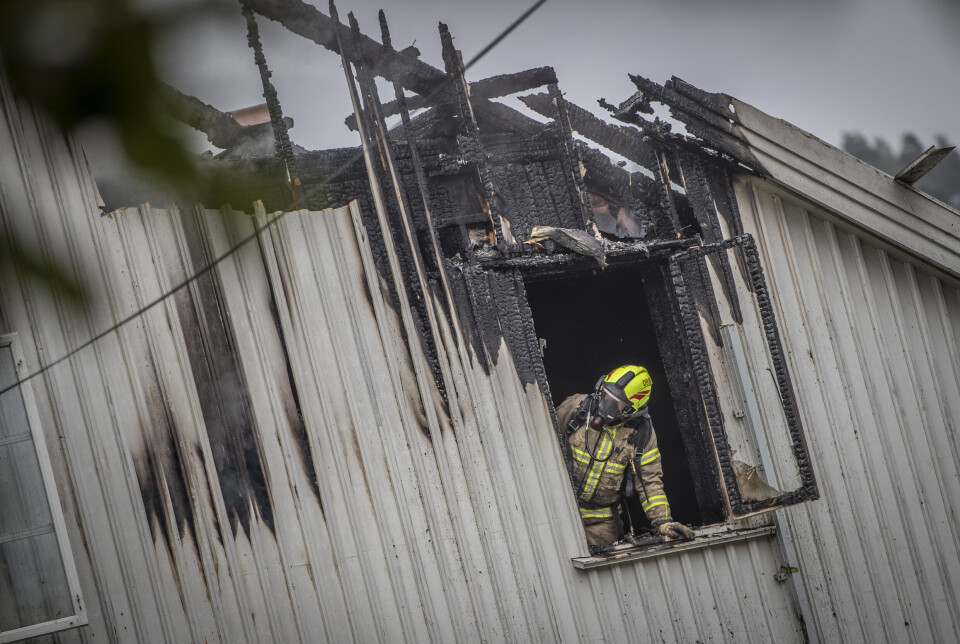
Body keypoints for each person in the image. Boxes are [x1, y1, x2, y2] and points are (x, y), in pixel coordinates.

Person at [555, 365, 695, 548]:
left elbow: (650, 482)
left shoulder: (642, 434)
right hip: (559, 509)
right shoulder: (576, 408)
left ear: (631, 408)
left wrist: (662, 521)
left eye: (616, 401)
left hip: (601, 523)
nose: (606, 402)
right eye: (606, 394)